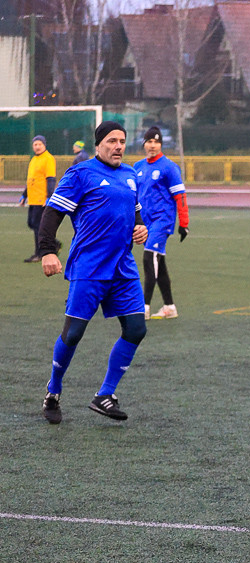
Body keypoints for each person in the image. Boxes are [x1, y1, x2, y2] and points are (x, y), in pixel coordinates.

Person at [36, 121, 149, 423]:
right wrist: (47, 250)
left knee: (136, 329)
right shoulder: (81, 173)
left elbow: (135, 212)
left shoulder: (130, 175)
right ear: (98, 144)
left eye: (122, 141)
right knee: (73, 334)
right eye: (112, 141)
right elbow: (52, 213)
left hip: (123, 268)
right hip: (90, 266)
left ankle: (105, 394)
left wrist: (141, 228)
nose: (118, 146)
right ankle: (53, 391)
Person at [134, 126, 190, 320]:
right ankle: (169, 307)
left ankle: (144, 307)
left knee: (149, 258)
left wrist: (184, 223)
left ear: (161, 145)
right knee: (159, 263)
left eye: (156, 142)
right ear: (144, 144)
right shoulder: (138, 167)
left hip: (162, 220)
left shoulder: (169, 167)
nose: (152, 145)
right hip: (145, 222)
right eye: (149, 141)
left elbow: (180, 196)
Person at [19, 135, 57, 263]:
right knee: (32, 224)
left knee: (38, 227)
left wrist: (49, 197)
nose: (37, 146)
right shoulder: (34, 159)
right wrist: (24, 195)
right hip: (33, 199)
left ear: (44, 145)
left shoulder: (48, 159)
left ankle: (39, 253)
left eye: (40, 144)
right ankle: (54, 244)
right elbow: (31, 180)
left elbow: (51, 179)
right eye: (35, 144)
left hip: (41, 200)